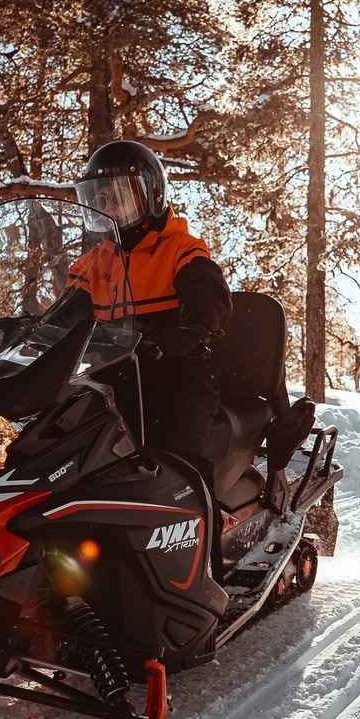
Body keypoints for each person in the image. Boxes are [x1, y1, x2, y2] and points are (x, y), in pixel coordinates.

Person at [68, 139, 232, 471]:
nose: (109, 208)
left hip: (172, 371)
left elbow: (206, 291)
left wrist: (195, 325)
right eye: (100, 199)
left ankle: (197, 514)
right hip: (110, 378)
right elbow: (67, 314)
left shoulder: (179, 249)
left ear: (150, 195)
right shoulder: (93, 264)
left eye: (118, 197)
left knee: (175, 453)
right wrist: (27, 327)